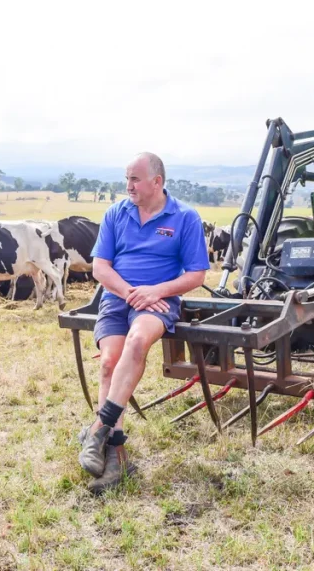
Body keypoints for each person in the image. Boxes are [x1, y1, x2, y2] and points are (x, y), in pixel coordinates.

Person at [79, 152, 209, 494]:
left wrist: (155, 291)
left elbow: (197, 274)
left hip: (159, 303)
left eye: (135, 179)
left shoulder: (185, 218)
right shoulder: (116, 214)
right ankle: (116, 454)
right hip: (116, 298)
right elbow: (100, 268)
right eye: (126, 178)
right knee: (109, 362)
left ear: (157, 182)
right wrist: (129, 292)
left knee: (136, 344)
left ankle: (96, 429)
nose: (128, 186)